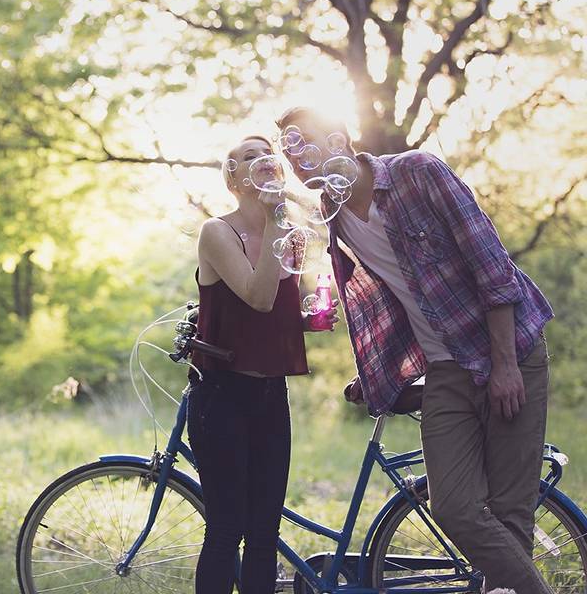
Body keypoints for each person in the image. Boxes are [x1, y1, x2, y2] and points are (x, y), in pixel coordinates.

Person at [277, 106, 554, 594]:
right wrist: (379, 371)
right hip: (445, 369)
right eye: (288, 150)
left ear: (340, 138)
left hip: (510, 350)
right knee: (453, 507)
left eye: (304, 143)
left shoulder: (417, 172)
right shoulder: (333, 214)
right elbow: (385, 296)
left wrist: (506, 363)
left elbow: (492, 266)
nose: (295, 159)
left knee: (511, 516)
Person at [187, 134, 339, 594]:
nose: (263, 160)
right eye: (248, 156)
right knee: (225, 530)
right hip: (222, 396)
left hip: (272, 395)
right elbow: (256, 296)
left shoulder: (287, 234)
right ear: (233, 179)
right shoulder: (218, 231)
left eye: (267, 153)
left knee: (263, 536)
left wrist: (311, 316)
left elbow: (274, 309)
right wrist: (277, 214)